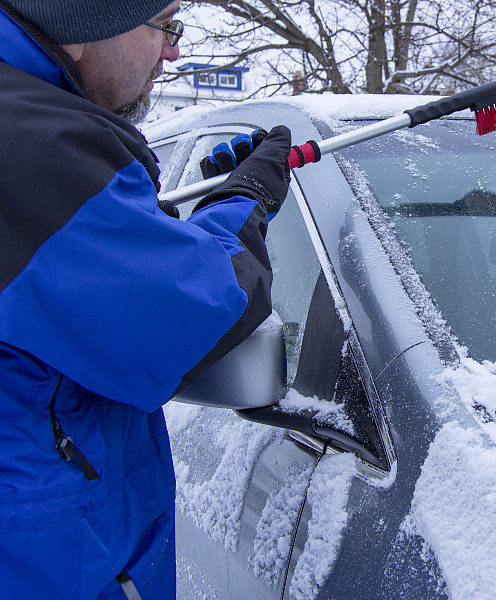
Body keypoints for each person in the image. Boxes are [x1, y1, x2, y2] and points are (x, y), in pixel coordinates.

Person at [0, 1, 292, 598]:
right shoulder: (34, 145)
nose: (173, 51)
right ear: (80, 25)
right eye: (163, 24)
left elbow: (101, 278)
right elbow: (199, 315)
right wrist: (247, 204)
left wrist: (200, 216)